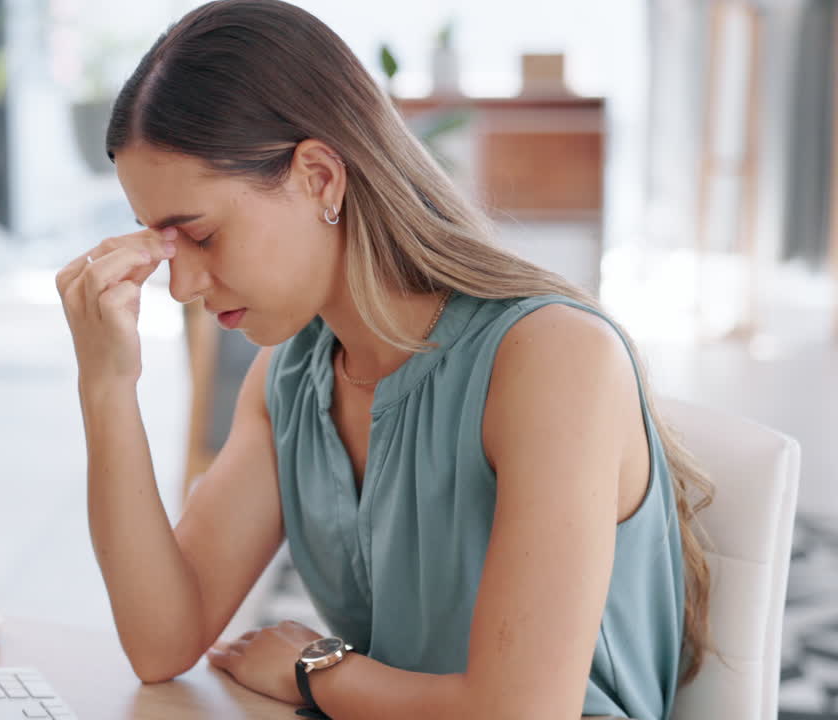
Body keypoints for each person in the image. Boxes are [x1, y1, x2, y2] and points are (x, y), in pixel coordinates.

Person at [54, 2, 713, 718]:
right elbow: (160, 641)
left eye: (202, 236)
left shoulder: (553, 358)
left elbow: (522, 712)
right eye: (164, 246)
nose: (179, 285)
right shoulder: (293, 380)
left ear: (319, 179)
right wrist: (107, 385)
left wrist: (317, 671)